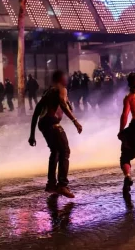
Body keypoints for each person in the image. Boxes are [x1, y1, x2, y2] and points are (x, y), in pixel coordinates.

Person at [28, 70, 83, 198]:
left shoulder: (49, 91)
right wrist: (75, 121)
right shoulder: (61, 89)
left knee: (56, 152)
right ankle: (62, 185)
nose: (67, 80)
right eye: (65, 77)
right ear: (61, 79)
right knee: (65, 151)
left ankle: (51, 185)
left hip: (43, 124)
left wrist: (32, 134)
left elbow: (36, 111)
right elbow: (63, 105)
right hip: (52, 123)